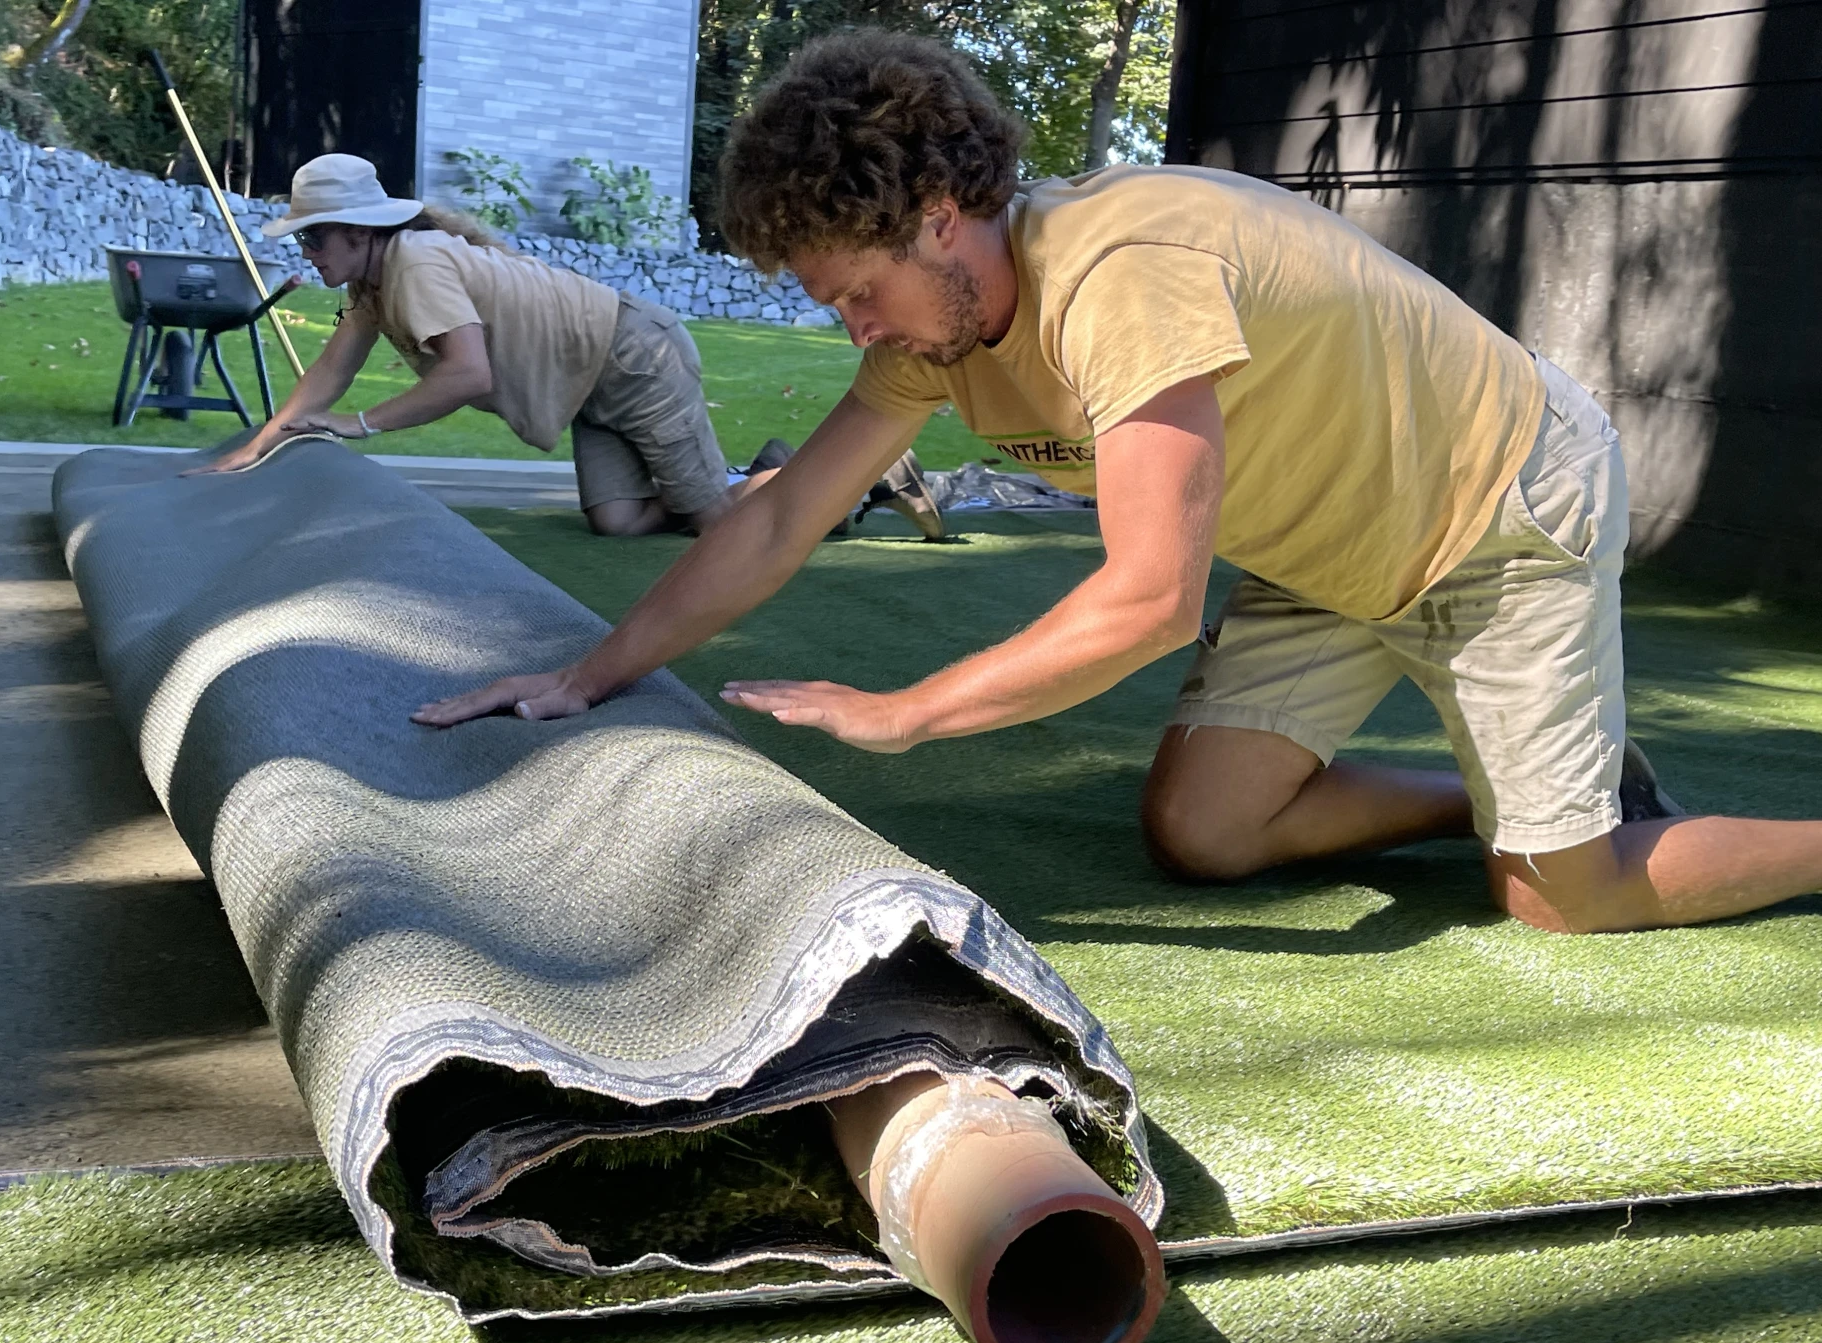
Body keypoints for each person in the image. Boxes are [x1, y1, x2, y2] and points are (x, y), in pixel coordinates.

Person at [412, 32, 1822, 936]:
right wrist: (591, 675)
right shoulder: (939, 328)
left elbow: (1148, 598)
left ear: (940, 219)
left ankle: (1626, 828)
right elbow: (780, 511)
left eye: (855, 294)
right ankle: (1498, 789)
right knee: (1203, 832)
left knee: (1562, 897)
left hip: (1505, 515)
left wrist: (910, 711)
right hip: (1332, 554)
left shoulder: (1119, 273)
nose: (857, 331)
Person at [194, 153, 940, 536]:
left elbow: (464, 374)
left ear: (358, 232)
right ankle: (762, 474)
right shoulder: (374, 283)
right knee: (616, 525)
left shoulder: (416, 263)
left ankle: (862, 479)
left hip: (635, 356)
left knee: (714, 522)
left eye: (315, 237)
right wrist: (258, 446)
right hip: (592, 388)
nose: (310, 252)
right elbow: (330, 369)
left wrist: (358, 427)